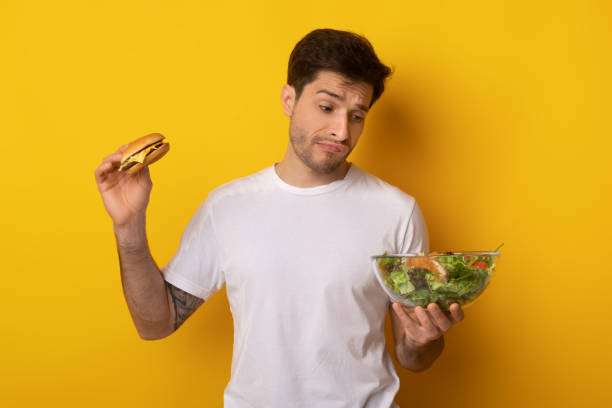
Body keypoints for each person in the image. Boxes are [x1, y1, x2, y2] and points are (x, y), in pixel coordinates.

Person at [94, 28, 464, 408]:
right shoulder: (228, 207)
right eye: (327, 107)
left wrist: (425, 340)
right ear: (289, 99)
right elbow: (155, 324)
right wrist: (128, 226)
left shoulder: (397, 212)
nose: (341, 130)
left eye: (357, 115)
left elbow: (412, 356)